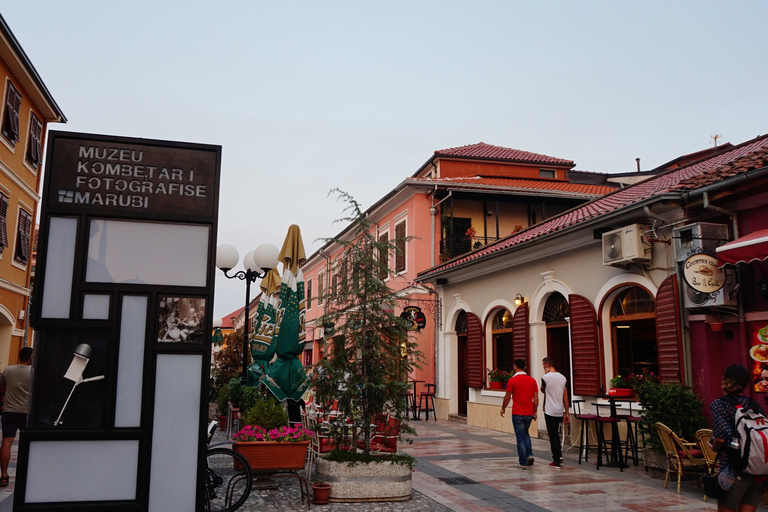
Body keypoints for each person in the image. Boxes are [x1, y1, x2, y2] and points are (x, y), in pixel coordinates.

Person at [711, 364, 767, 512]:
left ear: (725, 380)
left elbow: (721, 439)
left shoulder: (720, 404)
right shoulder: (755, 405)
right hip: (758, 472)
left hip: (733, 470)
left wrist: (713, 447)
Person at [0, 346, 33, 487]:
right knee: (27, 444)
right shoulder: (33, 373)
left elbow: (2, 389)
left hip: (9, 411)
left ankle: (3, 475)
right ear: (31, 358)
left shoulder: (7, 370)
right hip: (26, 413)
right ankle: (26, 474)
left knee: (6, 442)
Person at [500, 358, 539, 469]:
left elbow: (507, 397)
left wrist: (503, 408)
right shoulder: (532, 380)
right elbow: (536, 398)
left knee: (520, 437)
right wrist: (535, 410)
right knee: (526, 433)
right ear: (525, 367)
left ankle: (522, 462)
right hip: (529, 412)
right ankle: (529, 454)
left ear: (515, 367)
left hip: (518, 412)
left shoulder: (512, 380)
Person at [541, 357, 569, 468]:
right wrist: (566, 412)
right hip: (559, 409)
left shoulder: (545, 377)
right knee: (557, 433)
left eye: (544, 366)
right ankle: (559, 454)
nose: (543, 369)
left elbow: (543, 390)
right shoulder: (563, 377)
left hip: (549, 410)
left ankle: (556, 458)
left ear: (547, 365)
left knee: (553, 435)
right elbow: (565, 396)